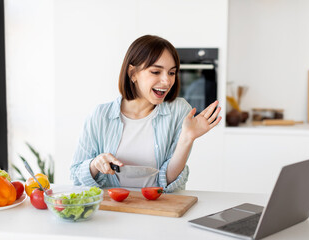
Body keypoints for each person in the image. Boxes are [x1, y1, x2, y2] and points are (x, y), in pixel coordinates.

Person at [70, 35, 221, 192]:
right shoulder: (100, 115)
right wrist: (95, 164)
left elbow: (168, 181)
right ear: (133, 73)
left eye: (171, 73)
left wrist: (187, 139)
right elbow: (75, 176)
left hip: (160, 208)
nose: (167, 81)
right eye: (156, 72)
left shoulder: (179, 111)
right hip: (112, 211)